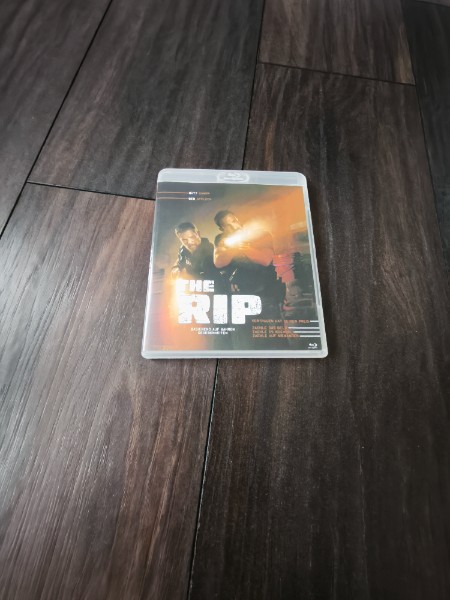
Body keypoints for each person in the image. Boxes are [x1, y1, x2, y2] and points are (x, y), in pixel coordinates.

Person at [213, 210, 284, 317]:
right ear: (222, 229)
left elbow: (266, 260)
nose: (233, 227)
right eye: (227, 225)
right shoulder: (221, 239)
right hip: (241, 294)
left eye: (233, 221)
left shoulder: (260, 234)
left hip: (266, 293)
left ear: (237, 220)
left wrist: (243, 247)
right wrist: (233, 248)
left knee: (269, 324)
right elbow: (218, 262)